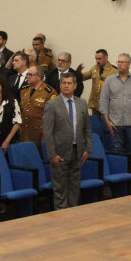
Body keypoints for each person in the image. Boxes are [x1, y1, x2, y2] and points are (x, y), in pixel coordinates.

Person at [43, 72, 92, 209]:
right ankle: (61, 217)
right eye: (63, 83)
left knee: (74, 189)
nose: (66, 86)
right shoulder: (52, 104)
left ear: (75, 85)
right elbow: (47, 132)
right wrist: (52, 154)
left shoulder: (81, 103)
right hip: (60, 154)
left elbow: (87, 127)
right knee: (60, 191)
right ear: (60, 85)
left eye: (69, 83)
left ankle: (73, 216)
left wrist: (88, 148)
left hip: (77, 152)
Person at [99, 53, 131, 171]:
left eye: (122, 62)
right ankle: (119, 175)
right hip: (115, 123)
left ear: (129, 64)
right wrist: (107, 122)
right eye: (118, 62)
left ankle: (130, 176)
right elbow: (103, 102)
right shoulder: (109, 81)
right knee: (117, 152)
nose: (119, 64)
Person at [19, 65, 56, 144]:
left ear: (39, 76)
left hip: (39, 134)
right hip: (25, 132)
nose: (27, 77)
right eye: (27, 74)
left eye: (30, 75)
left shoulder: (49, 92)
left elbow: (52, 116)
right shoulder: (24, 90)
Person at [81, 49, 117, 117]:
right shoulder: (94, 69)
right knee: (95, 123)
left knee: (107, 123)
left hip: (108, 105)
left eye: (99, 59)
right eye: (96, 59)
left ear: (106, 58)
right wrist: (78, 73)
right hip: (95, 105)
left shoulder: (114, 71)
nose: (97, 61)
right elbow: (83, 77)